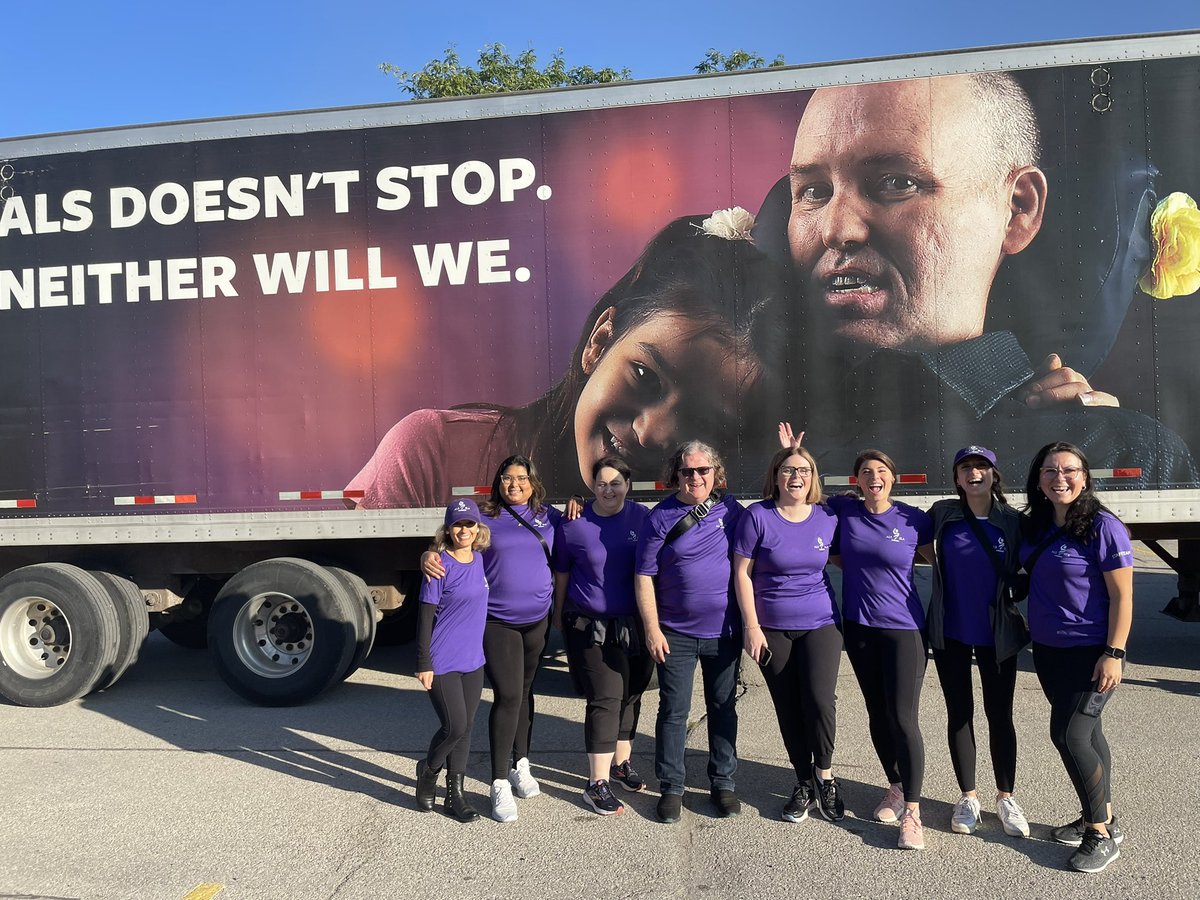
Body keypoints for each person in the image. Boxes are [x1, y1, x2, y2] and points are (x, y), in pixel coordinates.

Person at [754, 72, 1196, 487]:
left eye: (895, 182)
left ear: (1018, 210)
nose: (837, 229)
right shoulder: (744, 417)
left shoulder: (1113, 447)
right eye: (813, 191)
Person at [348, 211, 782, 506]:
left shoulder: (695, 510)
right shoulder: (436, 451)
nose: (654, 433)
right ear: (599, 341)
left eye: (704, 420)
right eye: (645, 377)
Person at [420, 455, 561, 823]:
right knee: (509, 695)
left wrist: (580, 504)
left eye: (521, 478)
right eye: (506, 478)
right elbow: (455, 540)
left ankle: (521, 764)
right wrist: (426, 555)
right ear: (498, 482)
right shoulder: (487, 517)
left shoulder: (551, 516)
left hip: (537, 621)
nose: (514, 484)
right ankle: (498, 783)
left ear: (534, 481)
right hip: (498, 623)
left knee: (526, 694)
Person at [1021, 441, 1133, 873]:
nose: (1059, 478)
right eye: (1049, 470)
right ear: (1039, 479)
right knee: (1088, 734)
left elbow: (1123, 596)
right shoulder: (1036, 525)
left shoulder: (1104, 527)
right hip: (1049, 651)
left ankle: (1100, 833)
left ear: (1085, 476)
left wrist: (1114, 653)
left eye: (1069, 470)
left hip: (1093, 651)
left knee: (1069, 735)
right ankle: (1102, 815)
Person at [827, 449, 933, 850]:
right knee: (877, 712)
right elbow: (835, 553)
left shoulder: (912, 519)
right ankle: (894, 785)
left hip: (904, 630)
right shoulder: (845, 513)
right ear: (856, 480)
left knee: (903, 718)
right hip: (860, 630)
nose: (874, 477)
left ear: (894, 478)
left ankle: (913, 812)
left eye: (882, 471)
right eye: (866, 472)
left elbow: (937, 559)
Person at [732, 443, 844, 824]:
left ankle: (825, 777)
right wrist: (752, 627)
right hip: (772, 629)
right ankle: (802, 781)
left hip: (821, 623)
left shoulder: (828, 516)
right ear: (775, 477)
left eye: (804, 470)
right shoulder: (757, 517)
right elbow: (742, 574)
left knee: (819, 700)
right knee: (789, 706)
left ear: (813, 477)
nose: (796, 477)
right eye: (788, 470)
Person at [635, 440, 744, 824]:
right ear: (675, 475)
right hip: (674, 633)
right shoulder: (659, 517)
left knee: (722, 707)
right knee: (673, 711)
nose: (695, 477)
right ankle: (671, 787)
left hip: (724, 631)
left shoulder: (732, 511)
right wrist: (652, 629)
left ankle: (723, 783)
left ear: (716, 474)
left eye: (703, 470)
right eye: (687, 471)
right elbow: (644, 575)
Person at [927, 446, 1031, 838]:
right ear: (956, 478)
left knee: (1000, 715)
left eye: (982, 466)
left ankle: (1006, 797)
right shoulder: (943, 514)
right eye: (966, 467)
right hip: (950, 630)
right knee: (960, 713)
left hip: (997, 632)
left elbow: (1042, 557)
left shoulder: (1012, 521)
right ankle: (969, 797)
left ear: (994, 474)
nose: (974, 473)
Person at [552, 455, 654, 816]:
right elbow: (562, 572)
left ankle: (621, 764)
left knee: (632, 692)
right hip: (589, 624)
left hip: (634, 622)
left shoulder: (643, 519)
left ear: (628, 484)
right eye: (601, 483)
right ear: (590, 486)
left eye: (615, 482)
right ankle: (596, 783)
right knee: (606, 697)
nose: (608, 489)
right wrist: (558, 614)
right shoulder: (573, 523)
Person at [413, 497, 491, 823]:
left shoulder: (480, 560)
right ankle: (428, 771)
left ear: (477, 528)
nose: (463, 530)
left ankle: (454, 795)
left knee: (467, 727)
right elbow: (424, 617)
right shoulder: (438, 566)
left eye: (469, 524)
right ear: (448, 529)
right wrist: (423, 662)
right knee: (454, 725)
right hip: (443, 660)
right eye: (457, 524)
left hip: (474, 660)